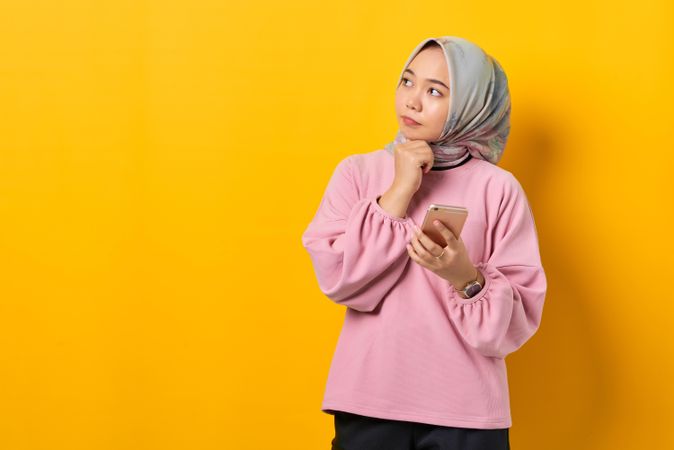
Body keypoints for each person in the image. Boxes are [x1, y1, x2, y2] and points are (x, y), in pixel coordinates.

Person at [301, 36, 547, 450]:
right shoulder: (357, 173)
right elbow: (339, 280)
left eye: (435, 91)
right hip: (369, 401)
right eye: (407, 81)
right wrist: (398, 192)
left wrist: (464, 276)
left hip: (467, 412)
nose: (412, 101)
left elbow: (518, 319)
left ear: (472, 104)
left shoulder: (498, 189)